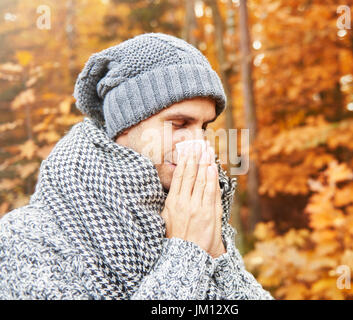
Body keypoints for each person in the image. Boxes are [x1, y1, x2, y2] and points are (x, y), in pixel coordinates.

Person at [0, 32, 274, 300]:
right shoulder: (25, 237)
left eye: (204, 127)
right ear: (124, 126)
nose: (199, 144)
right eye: (179, 124)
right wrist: (187, 254)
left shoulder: (197, 216)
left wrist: (218, 256)